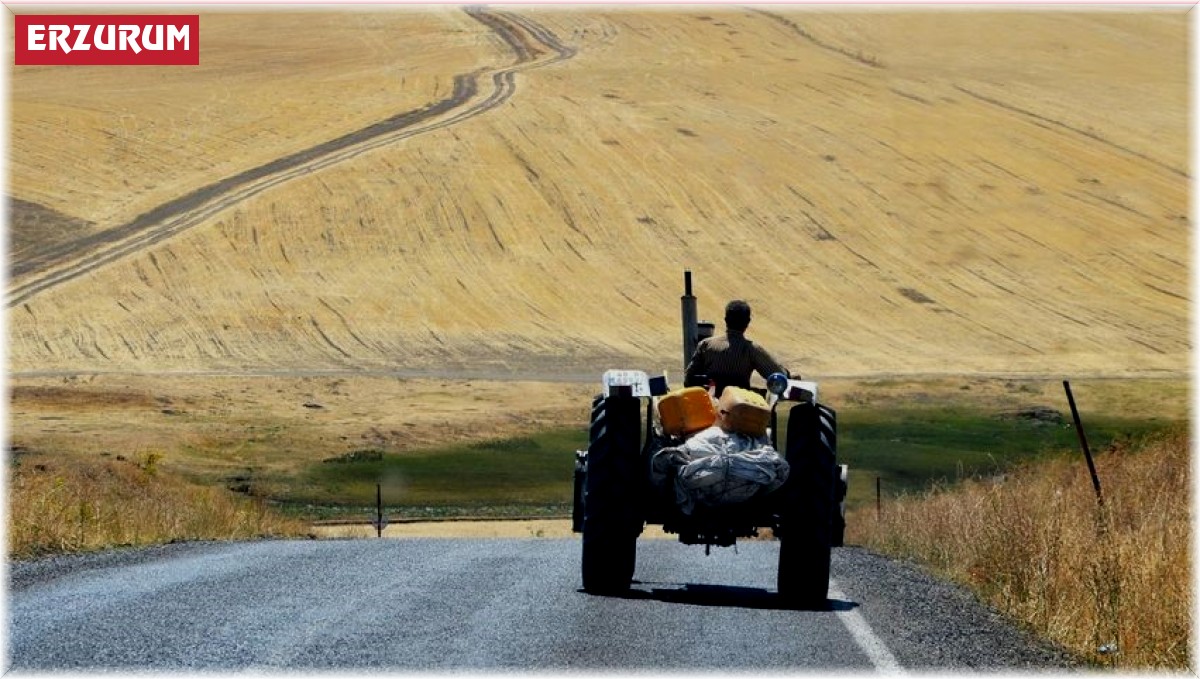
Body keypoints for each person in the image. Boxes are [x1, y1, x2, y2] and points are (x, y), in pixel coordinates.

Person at [684, 300, 791, 396]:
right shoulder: (751, 349)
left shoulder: (705, 344)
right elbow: (776, 375)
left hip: (709, 404)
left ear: (726, 320)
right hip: (739, 408)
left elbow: (688, 379)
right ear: (748, 322)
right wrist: (789, 374)